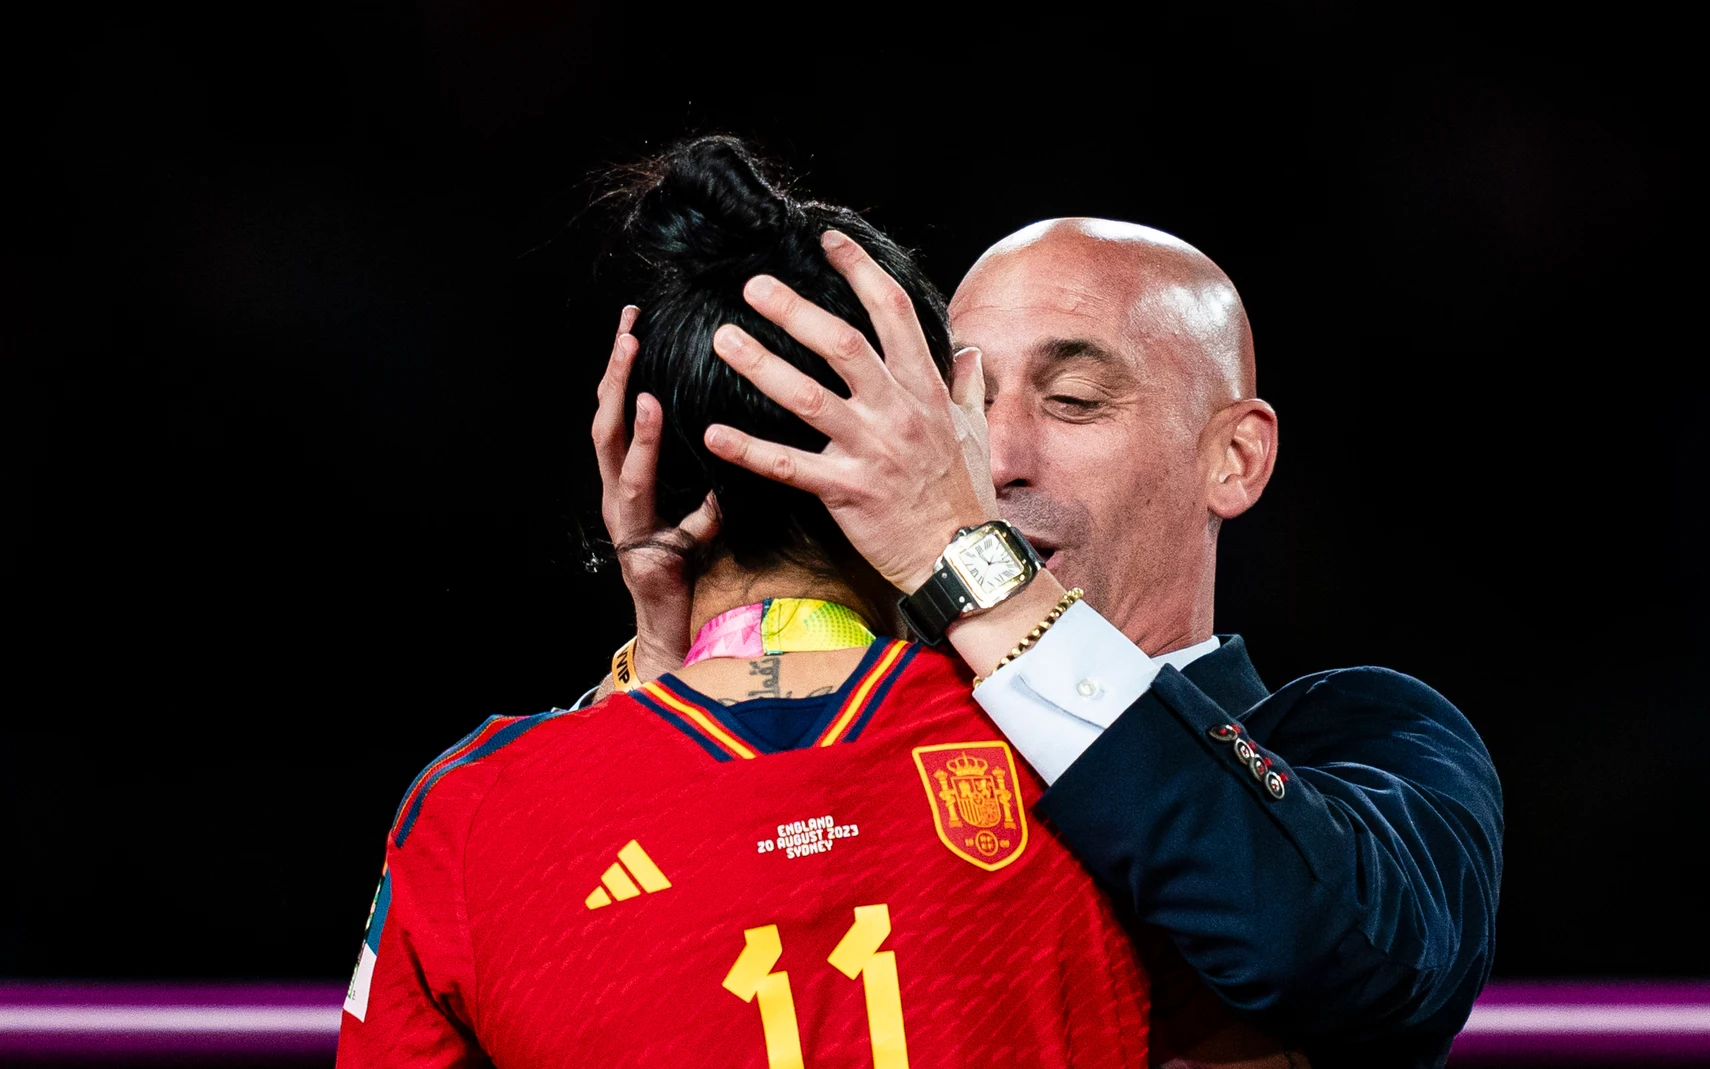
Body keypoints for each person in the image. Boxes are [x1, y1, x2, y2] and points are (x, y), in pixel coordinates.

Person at [335, 138, 1174, 1068]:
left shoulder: (473, 817)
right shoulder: (1101, 766)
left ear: (646, 464)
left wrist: (648, 671)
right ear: (941, 438)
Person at [595, 215, 1504, 1066]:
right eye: (965, 404)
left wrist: (966, 558)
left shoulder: (1373, 736)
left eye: (1073, 401)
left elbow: (1330, 954)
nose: (992, 461)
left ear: (1235, 458)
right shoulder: (848, 742)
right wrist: (672, 664)